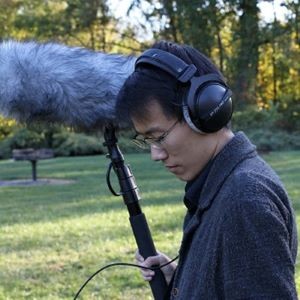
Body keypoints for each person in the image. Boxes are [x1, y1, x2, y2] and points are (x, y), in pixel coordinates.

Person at [115, 41, 298, 299]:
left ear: (204, 111)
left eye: (158, 137)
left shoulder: (245, 200)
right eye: (147, 141)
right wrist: (179, 279)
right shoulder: (220, 185)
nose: (156, 155)